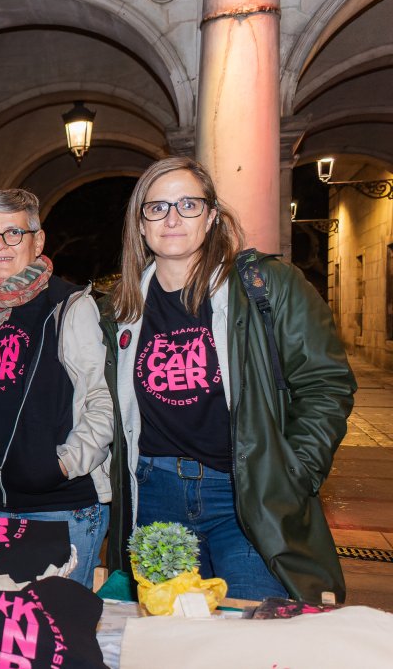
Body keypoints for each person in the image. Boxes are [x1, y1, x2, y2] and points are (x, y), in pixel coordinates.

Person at [101, 156, 356, 602]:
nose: (173, 218)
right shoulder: (118, 311)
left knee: (251, 636)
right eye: (157, 207)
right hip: (155, 496)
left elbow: (326, 384)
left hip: (244, 495)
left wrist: (293, 473)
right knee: (169, 638)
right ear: (140, 225)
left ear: (212, 217)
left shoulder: (268, 286)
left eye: (188, 205)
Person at [0, 189, 113, 588]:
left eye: (13, 233)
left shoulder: (69, 305)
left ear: (38, 240)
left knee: (55, 633)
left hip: (58, 509)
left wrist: (63, 464)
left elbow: (102, 400)